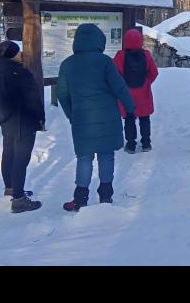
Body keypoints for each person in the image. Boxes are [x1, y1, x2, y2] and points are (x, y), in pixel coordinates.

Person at [57, 23, 136, 211]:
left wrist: (72, 115)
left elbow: (62, 94)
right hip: (107, 116)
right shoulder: (105, 62)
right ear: (99, 39)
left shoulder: (67, 64)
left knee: (84, 158)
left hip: (82, 120)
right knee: (106, 155)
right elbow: (119, 87)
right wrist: (130, 109)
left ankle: (80, 199)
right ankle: (106, 198)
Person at [0, 40, 44, 213]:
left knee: (9, 153)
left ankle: (10, 188)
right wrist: (39, 119)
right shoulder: (19, 72)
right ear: (12, 54)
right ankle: (19, 199)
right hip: (23, 120)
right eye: (17, 52)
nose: (20, 55)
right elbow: (33, 98)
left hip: (6, 119)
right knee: (21, 158)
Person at [113, 28, 158, 153]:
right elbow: (154, 72)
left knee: (129, 119)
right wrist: (147, 82)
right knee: (144, 118)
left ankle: (131, 145)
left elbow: (114, 74)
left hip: (127, 94)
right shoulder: (146, 55)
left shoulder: (120, 56)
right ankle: (146, 143)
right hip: (143, 93)